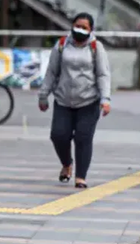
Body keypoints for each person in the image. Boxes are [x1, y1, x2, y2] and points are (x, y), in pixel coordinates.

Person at [38, 12, 111, 189]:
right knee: (58, 135)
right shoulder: (62, 44)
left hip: (88, 101)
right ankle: (67, 163)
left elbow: (102, 74)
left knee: (83, 138)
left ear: (91, 30)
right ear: (72, 26)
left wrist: (105, 98)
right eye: (77, 25)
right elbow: (52, 72)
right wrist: (43, 95)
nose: (80, 29)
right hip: (63, 100)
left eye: (84, 27)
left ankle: (80, 177)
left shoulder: (95, 47)